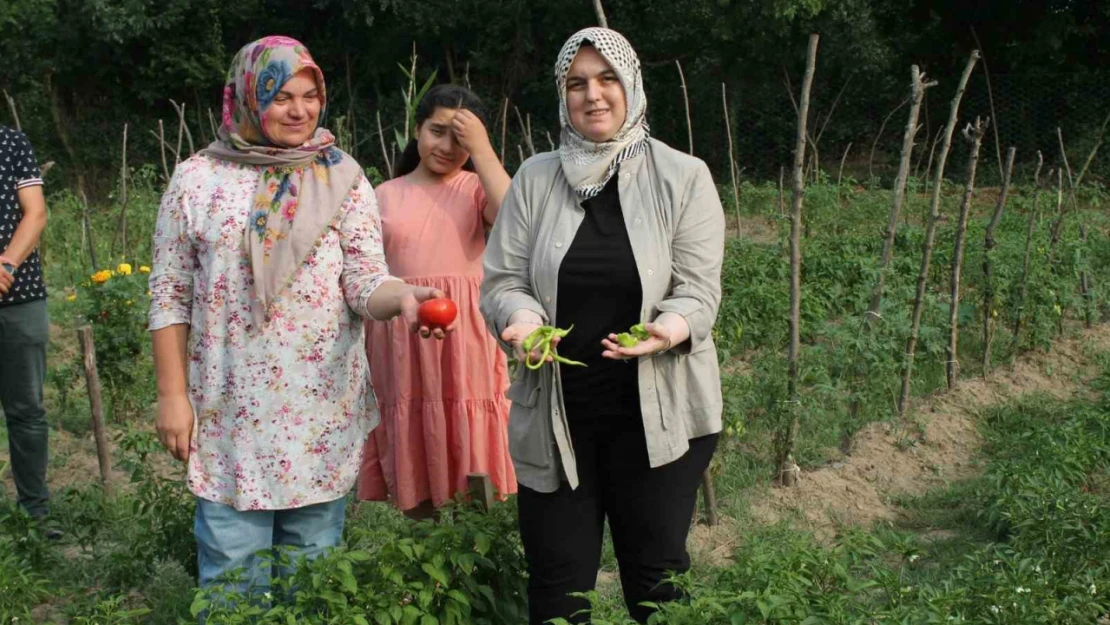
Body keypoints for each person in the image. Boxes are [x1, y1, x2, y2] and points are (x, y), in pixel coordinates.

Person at [148, 36, 449, 602]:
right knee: (232, 581)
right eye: (281, 96)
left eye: (310, 96)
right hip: (228, 409)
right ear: (246, 96)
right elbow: (169, 294)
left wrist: (404, 298)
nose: (300, 110)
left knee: (313, 578)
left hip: (316, 409)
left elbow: (364, 281)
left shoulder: (341, 177)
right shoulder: (196, 181)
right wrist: (171, 396)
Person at [479, 27, 725, 624]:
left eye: (607, 78)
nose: (593, 95)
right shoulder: (536, 179)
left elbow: (698, 290)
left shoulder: (683, 176)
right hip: (559, 417)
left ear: (632, 84)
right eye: (576, 83)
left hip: (660, 416)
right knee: (558, 586)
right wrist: (521, 319)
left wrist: (665, 330)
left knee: (656, 579)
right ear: (562, 97)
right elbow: (503, 281)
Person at [357, 84, 516, 519]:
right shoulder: (383, 195)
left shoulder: (475, 188)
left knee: (470, 432)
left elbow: (515, 217)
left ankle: (480, 542)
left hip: (465, 339)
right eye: (437, 131)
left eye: (460, 138)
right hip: (402, 339)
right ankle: (423, 547)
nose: (447, 146)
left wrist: (482, 151)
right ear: (417, 129)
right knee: (415, 430)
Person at [0, 125, 55, 538]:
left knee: (26, 412)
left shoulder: (12, 141)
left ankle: (34, 516)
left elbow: (35, 212)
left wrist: (5, 266)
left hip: (20, 296)